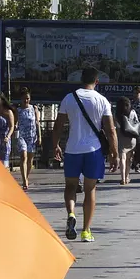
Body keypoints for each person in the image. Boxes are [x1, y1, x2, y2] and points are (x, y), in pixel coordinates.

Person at [53, 67, 119, 243]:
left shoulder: (69, 98)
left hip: (72, 149)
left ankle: (71, 213)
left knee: (70, 187)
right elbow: (110, 130)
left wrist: (55, 145)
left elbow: (58, 125)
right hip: (93, 150)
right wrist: (115, 153)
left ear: (81, 79)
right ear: (96, 81)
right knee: (90, 189)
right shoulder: (102, 100)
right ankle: (86, 231)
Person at [14, 89, 41, 190]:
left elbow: (37, 122)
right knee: (23, 155)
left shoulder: (34, 108)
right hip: (22, 135)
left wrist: (39, 136)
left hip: (32, 135)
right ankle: (24, 180)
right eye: (24, 98)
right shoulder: (18, 110)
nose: (26, 100)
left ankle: (27, 176)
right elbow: (15, 122)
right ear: (21, 99)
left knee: (30, 159)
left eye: (28, 98)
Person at [116, 96, 140, 186]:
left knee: (122, 158)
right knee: (129, 159)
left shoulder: (117, 114)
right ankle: (127, 177)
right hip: (131, 138)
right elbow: (137, 123)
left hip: (121, 137)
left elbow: (116, 125)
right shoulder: (132, 112)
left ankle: (122, 178)